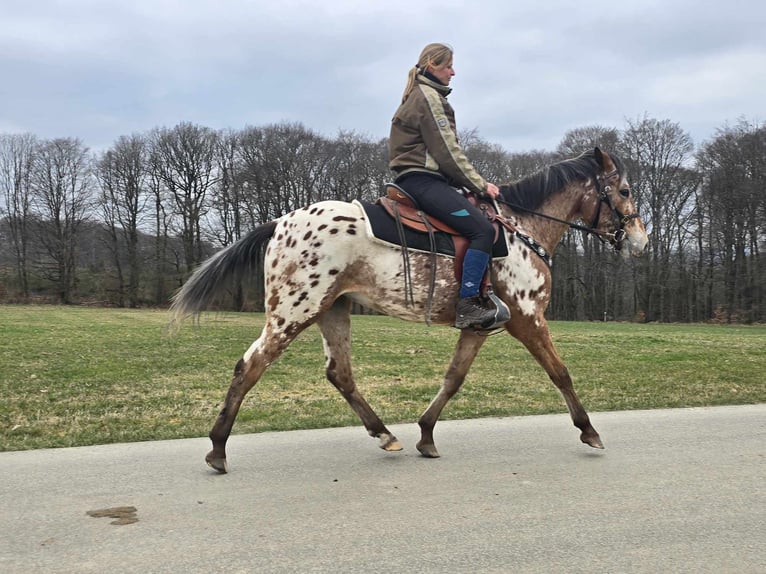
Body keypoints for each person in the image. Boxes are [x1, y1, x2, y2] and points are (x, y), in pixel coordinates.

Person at [388, 42, 506, 330]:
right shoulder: (429, 97)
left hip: (419, 178)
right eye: (448, 66)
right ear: (432, 65)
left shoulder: (420, 94)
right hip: (422, 181)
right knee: (481, 229)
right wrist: (480, 185)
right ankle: (467, 304)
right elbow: (448, 152)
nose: (453, 72)